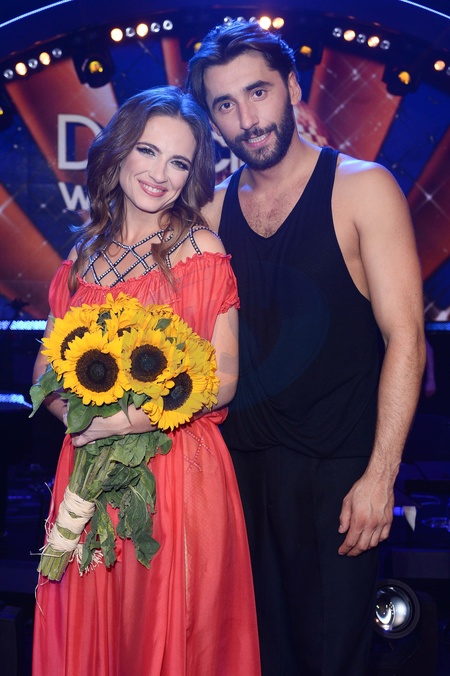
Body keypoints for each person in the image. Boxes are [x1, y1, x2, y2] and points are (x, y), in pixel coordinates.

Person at [187, 20, 426, 676]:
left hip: (337, 476)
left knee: (330, 660)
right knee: (250, 659)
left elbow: (406, 338)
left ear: (293, 87)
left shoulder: (362, 187)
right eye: (225, 104)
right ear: (212, 119)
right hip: (237, 474)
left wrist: (380, 477)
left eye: (258, 92)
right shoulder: (209, 214)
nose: (247, 119)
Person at [32, 86, 260, 676]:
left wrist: (123, 422)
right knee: (94, 628)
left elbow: (223, 380)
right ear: (119, 151)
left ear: (192, 175)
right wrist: (81, 420)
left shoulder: (200, 250)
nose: (161, 174)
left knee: (169, 632)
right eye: (149, 151)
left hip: (177, 471)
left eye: (179, 162)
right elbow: (44, 375)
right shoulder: (82, 256)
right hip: (88, 470)